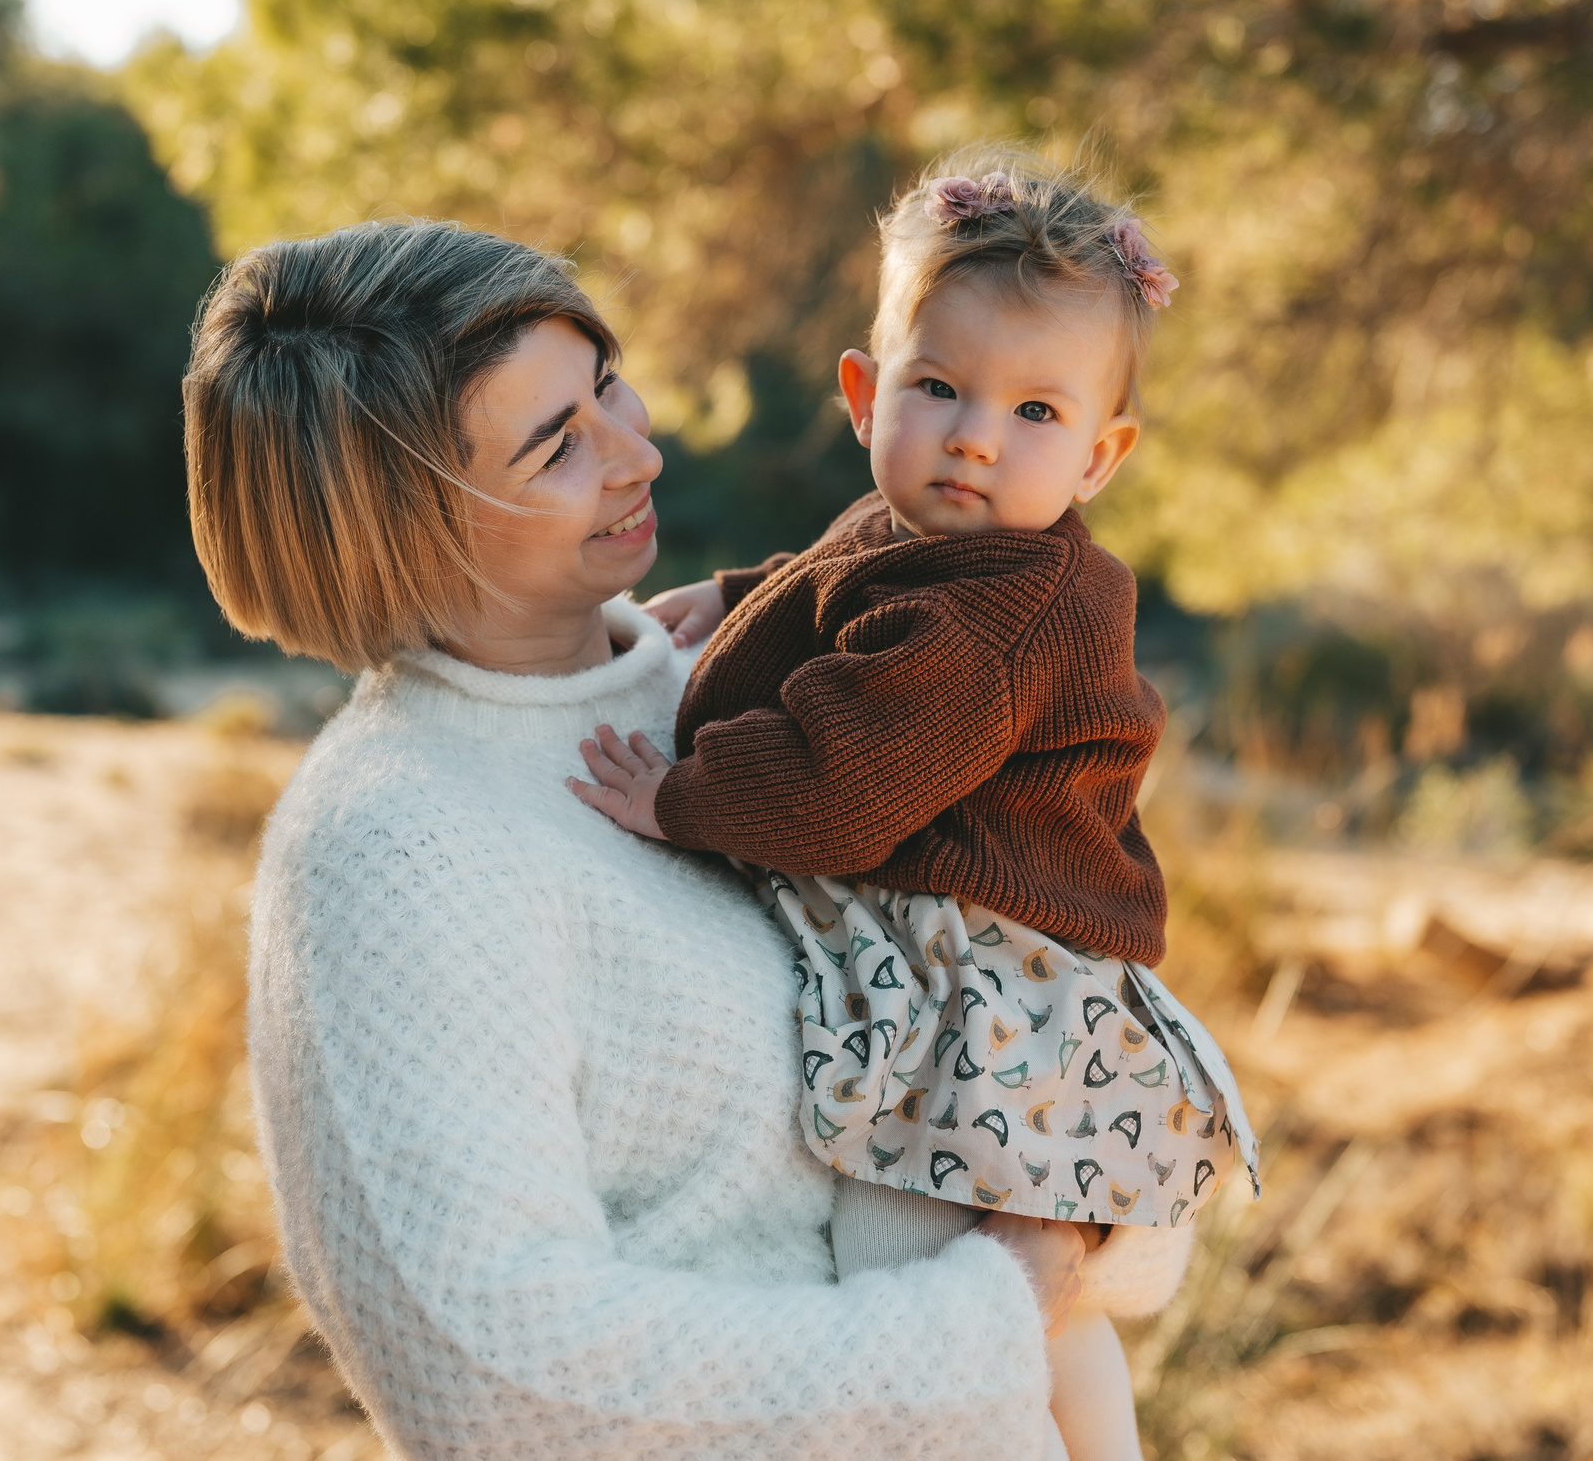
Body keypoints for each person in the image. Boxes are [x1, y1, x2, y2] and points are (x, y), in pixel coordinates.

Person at [185, 219, 1099, 1460]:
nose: (638, 448)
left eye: (607, 383)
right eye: (558, 443)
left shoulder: (747, 684)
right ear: (397, 529)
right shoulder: (393, 846)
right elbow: (499, 1382)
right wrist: (996, 1310)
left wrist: (1096, 1201)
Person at [569, 152, 1260, 1461]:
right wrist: (739, 594)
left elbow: (847, 783)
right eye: (936, 386)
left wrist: (679, 794)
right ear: (863, 390)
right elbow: (843, 582)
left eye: (1038, 411)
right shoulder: (945, 537)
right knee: (1038, 1320)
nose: (976, 434)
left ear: (1103, 454)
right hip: (1002, 965)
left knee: (918, 1249)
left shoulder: (1001, 606)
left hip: (986, 996)